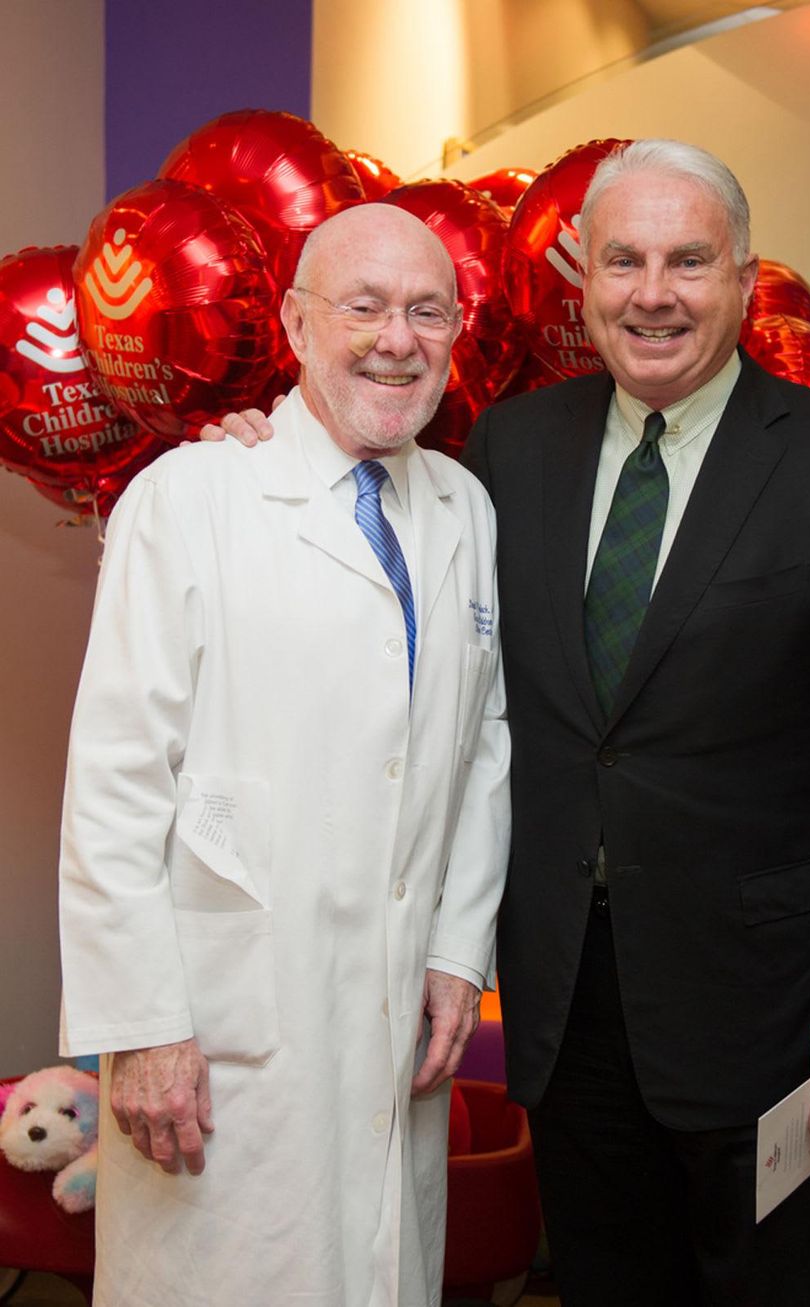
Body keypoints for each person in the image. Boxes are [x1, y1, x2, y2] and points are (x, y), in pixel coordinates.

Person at [207, 141, 810, 1306]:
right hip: (564, 999)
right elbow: (376, 537)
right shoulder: (511, 448)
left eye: (686, 261)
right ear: (584, 282)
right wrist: (259, 451)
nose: (650, 292)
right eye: (621, 261)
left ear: (743, 279)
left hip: (770, 1010)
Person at [58, 203, 510, 1307]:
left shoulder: (463, 507)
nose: (394, 337)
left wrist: (456, 949)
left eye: (424, 311)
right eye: (361, 306)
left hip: (391, 1014)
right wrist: (144, 1024)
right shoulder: (193, 496)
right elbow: (118, 779)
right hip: (223, 1032)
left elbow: (481, 742)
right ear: (297, 324)